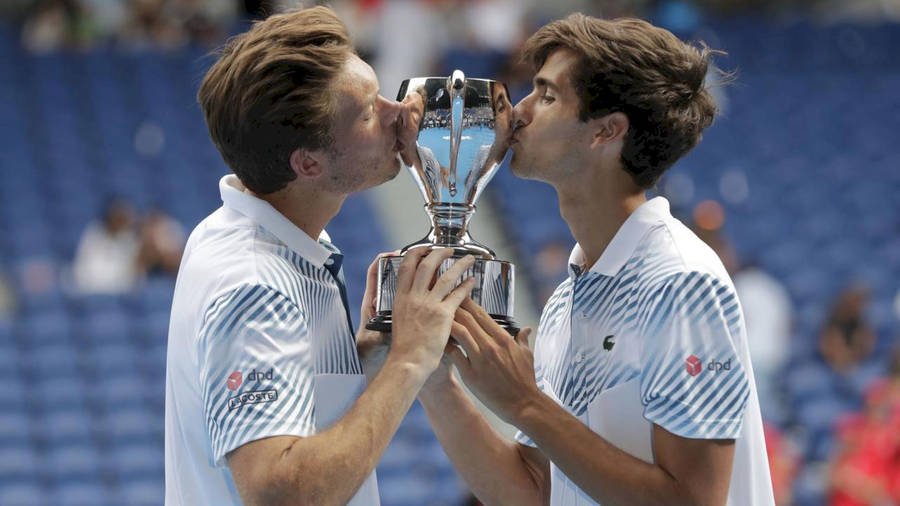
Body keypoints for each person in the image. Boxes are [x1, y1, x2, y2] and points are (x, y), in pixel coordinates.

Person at [416, 14, 775, 505]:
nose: (517, 111)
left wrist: (525, 404)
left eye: (546, 95)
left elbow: (693, 500)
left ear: (606, 131)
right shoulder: (569, 299)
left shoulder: (681, 281)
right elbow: (538, 491)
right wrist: (432, 379)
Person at [164, 7, 476, 506]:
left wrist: (369, 356)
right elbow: (275, 493)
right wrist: (410, 360)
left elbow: (294, 420)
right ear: (308, 162)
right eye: (370, 113)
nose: (399, 111)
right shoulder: (254, 282)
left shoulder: (249, 236)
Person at [71, 196, 141, 294]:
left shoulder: (129, 239)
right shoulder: (94, 233)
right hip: (91, 291)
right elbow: (85, 272)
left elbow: (131, 275)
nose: (120, 221)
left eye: (124, 218)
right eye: (118, 217)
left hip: (119, 293)